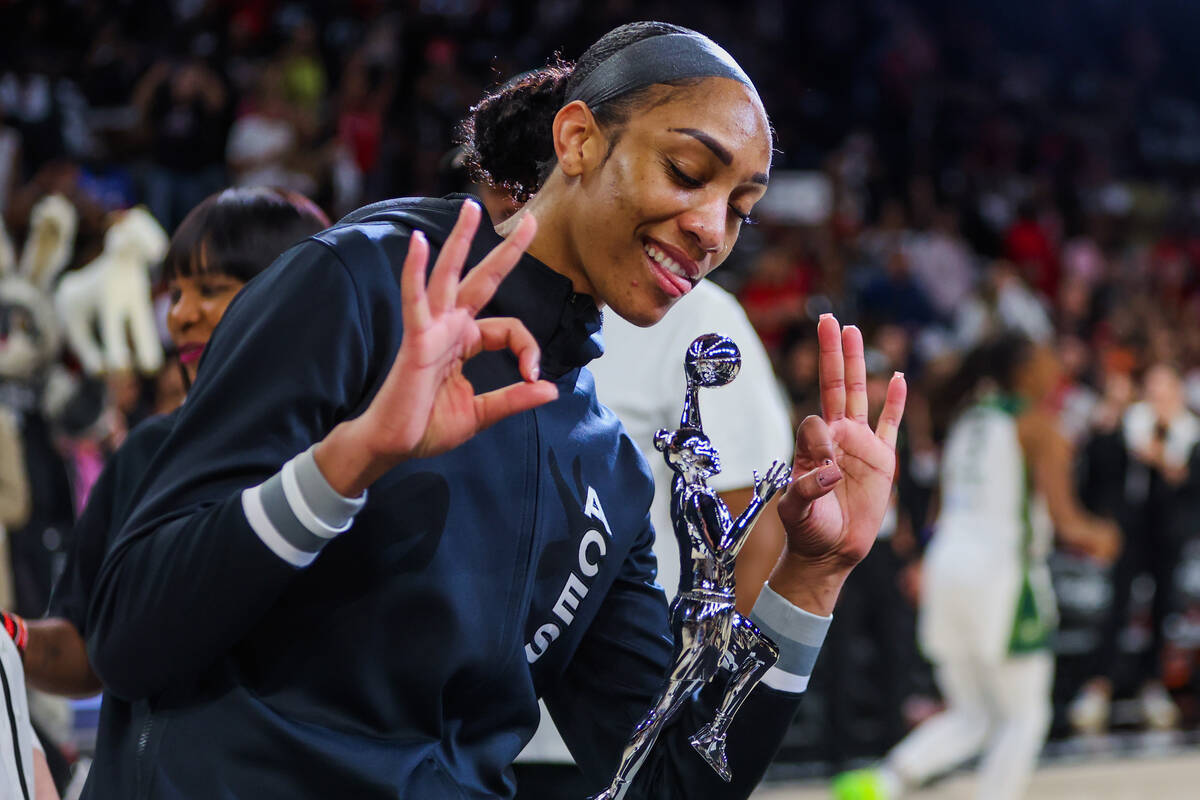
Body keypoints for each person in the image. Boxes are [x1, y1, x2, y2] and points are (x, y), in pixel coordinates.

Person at [82, 23, 906, 799]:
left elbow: (663, 783)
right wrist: (349, 462)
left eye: (741, 208)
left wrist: (810, 578)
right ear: (578, 138)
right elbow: (129, 633)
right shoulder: (362, 281)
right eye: (689, 173)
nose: (711, 230)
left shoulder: (607, 468)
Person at [0, 188, 328, 787]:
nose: (180, 314)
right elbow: (85, 646)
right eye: (175, 292)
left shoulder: (343, 464)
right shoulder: (146, 453)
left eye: (210, 290)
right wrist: (10, 635)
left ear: (292, 292)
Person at [514, 273, 794, 799]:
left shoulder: (696, 318)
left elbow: (752, 545)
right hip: (469, 728)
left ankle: (707, 733)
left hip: (602, 728)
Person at [833, 334, 1118, 800]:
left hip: (947, 566)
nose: (1055, 366)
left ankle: (882, 782)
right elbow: (1069, 523)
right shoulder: (1035, 425)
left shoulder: (968, 420)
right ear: (1025, 370)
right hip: (1001, 575)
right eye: (1046, 356)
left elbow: (943, 508)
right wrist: (1107, 537)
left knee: (973, 714)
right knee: (1027, 716)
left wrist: (924, 561)